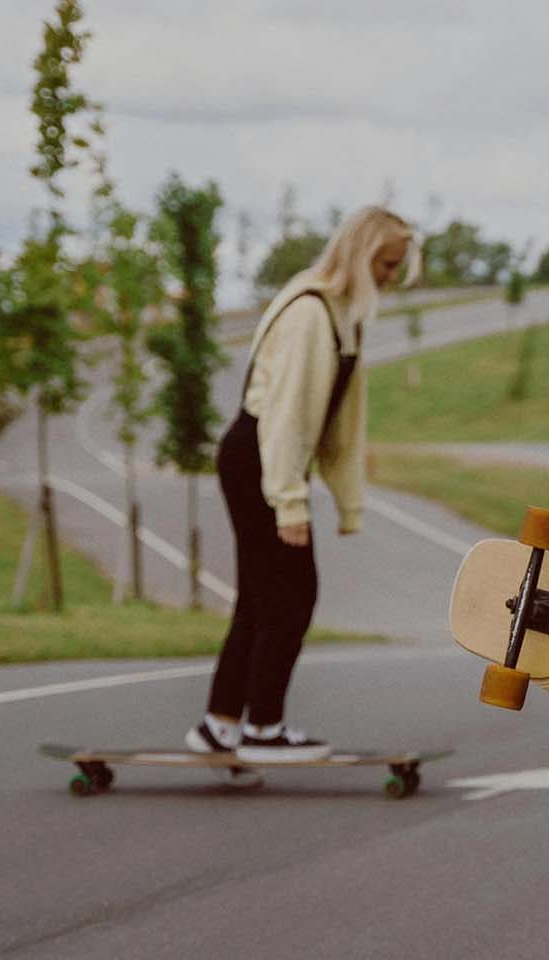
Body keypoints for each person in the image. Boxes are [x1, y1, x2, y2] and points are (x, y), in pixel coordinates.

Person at [186, 206, 419, 764]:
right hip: (260, 456)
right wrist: (289, 502)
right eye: (386, 264)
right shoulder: (310, 312)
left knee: (266, 595)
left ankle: (221, 724)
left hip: (268, 457)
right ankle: (262, 728)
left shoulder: (343, 312)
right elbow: (288, 416)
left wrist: (347, 500)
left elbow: (339, 421)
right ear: (361, 256)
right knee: (292, 595)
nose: (390, 276)